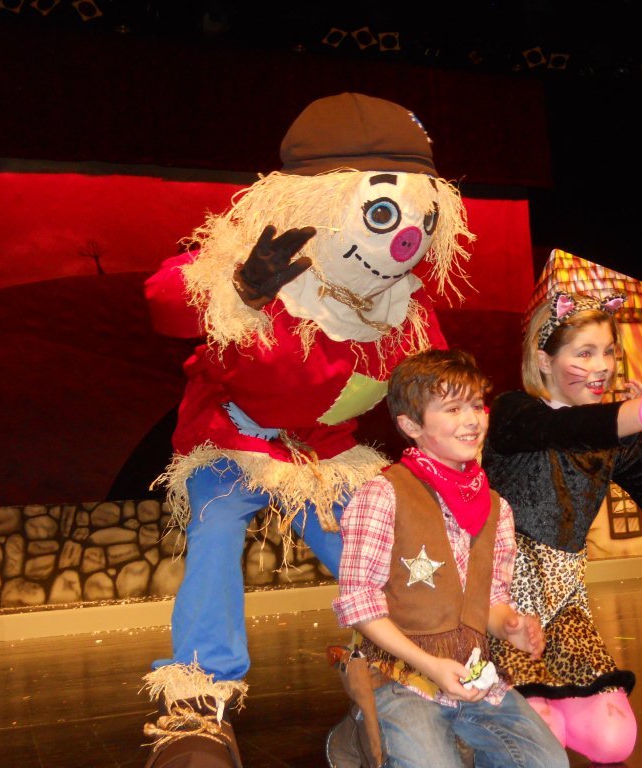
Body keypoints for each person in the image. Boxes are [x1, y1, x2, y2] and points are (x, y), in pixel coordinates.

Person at [140, 93, 471, 766]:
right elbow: (166, 299)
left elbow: (435, 386)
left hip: (327, 456)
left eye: (417, 219)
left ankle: (406, 672)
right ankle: (199, 703)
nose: (404, 239)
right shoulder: (257, 256)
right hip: (235, 440)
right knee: (215, 531)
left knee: (379, 545)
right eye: (380, 214)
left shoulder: (401, 305)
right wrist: (241, 289)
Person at [481, 291, 642, 764]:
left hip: (564, 603)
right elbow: (567, 429)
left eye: (608, 351)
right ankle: (488, 719)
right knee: (537, 734)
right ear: (544, 361)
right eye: (584, 353)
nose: (602, 366)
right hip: (495, 604)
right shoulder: (513, 415)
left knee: (615, 740)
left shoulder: (610, 436)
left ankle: (537, 714)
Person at [330, 349, 569, 768]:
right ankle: (362, 726)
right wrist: (431, 666)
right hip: (401, 676)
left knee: (549, 763)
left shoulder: (497, 508)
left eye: (477, 405)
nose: (473, 419)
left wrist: (508, 624)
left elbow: (490, 600)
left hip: (473, 676)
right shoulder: (382, 495)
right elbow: (359, 603)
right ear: (411, 425)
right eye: (453, 408)